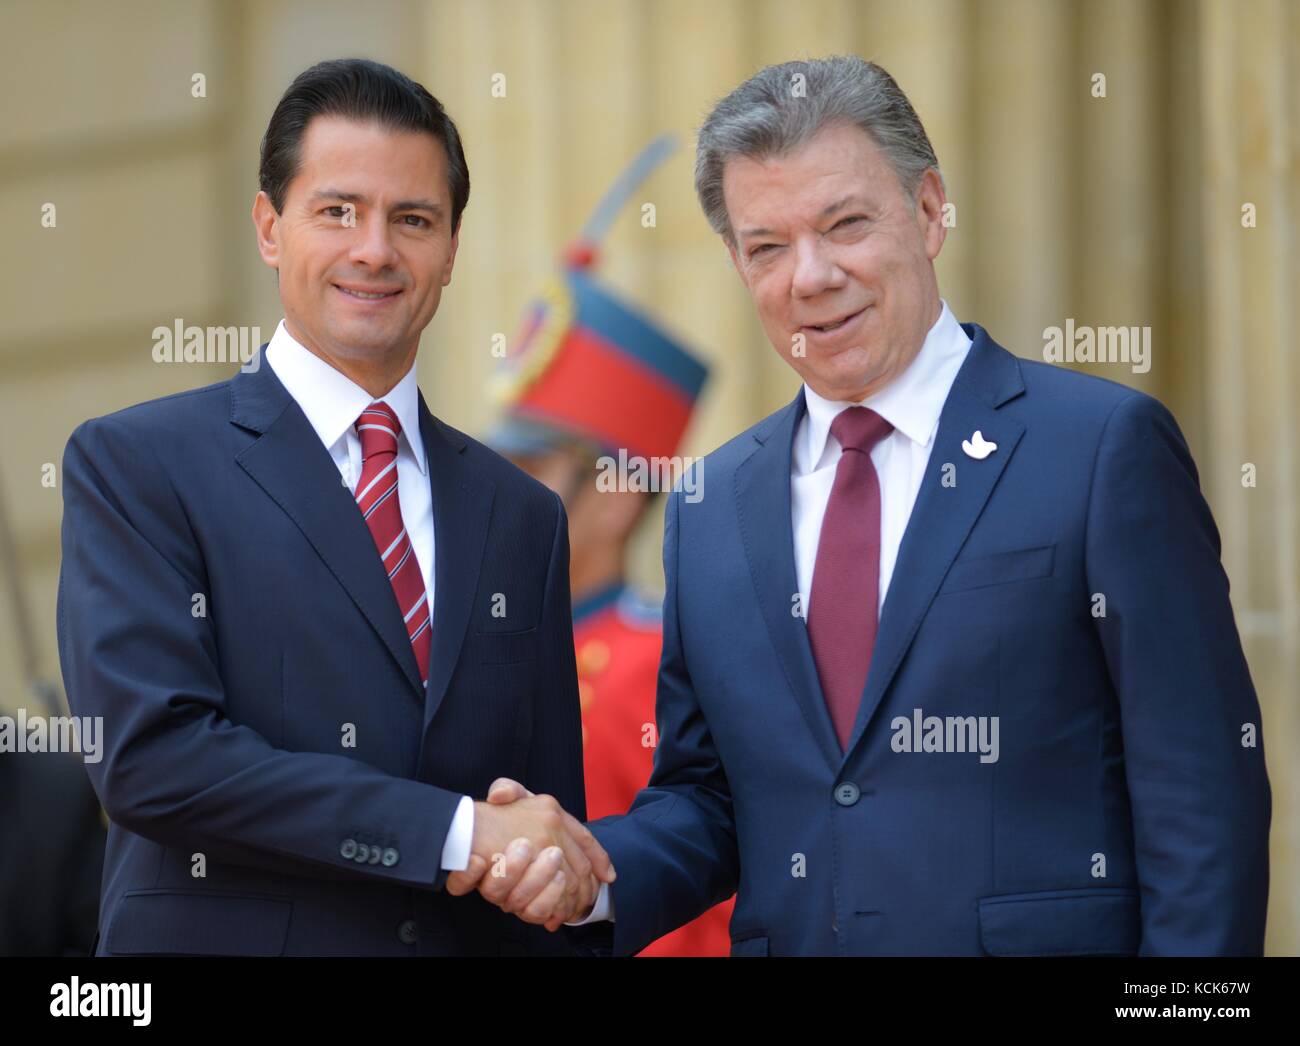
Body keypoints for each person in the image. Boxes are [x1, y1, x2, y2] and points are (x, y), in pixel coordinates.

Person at [459, 55, 1271, 956]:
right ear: (736, 262)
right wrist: (587, 872)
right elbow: (711, 802)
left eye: (845, 224)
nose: (811, 276)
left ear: (928, 212)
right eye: (767, 246)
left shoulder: (1100, 448)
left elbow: (1200, 795)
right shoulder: (712, 504)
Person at [56, 57, 611, 957]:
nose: (375, 250)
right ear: (271, 228)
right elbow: (153, 763)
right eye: (338, 211)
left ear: (452, 249)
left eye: (413, 219)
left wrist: (564, 882)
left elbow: (542, 824)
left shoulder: (523, 517)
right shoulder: (139, 465)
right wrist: (458, 835)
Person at [487, 254, 734, 955]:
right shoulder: (484, 644)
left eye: (531, 474)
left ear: (620, 497)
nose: (500, 502)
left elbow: (698, 903)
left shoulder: (651, 662)